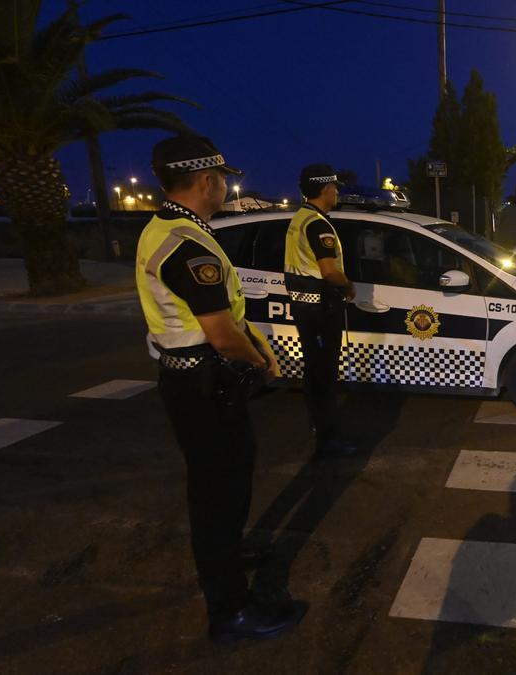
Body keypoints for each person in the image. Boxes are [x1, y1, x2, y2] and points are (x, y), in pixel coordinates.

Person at [136, 135, 307, 644]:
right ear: (207, 180)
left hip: (192, 377)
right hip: (202, 380)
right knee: (218, 491)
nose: (226, 186)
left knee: (224, 481)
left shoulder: (168, 228)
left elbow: (226, 315)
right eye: (223, 179)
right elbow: (219, 331)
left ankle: (227, 555)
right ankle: (230, 610)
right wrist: (259, 362)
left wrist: (257, 346)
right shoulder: (187, 245)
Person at [284, 163, 357, 457]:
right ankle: (328, 441)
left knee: (314, 374)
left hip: (306, 308)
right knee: (325, 376)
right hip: (320, 309)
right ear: (325, 189)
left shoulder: (300, 218)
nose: (337, 192)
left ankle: (317, 425)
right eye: (335, 188)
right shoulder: (317, 224)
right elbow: (329, 271)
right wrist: (348, 285)